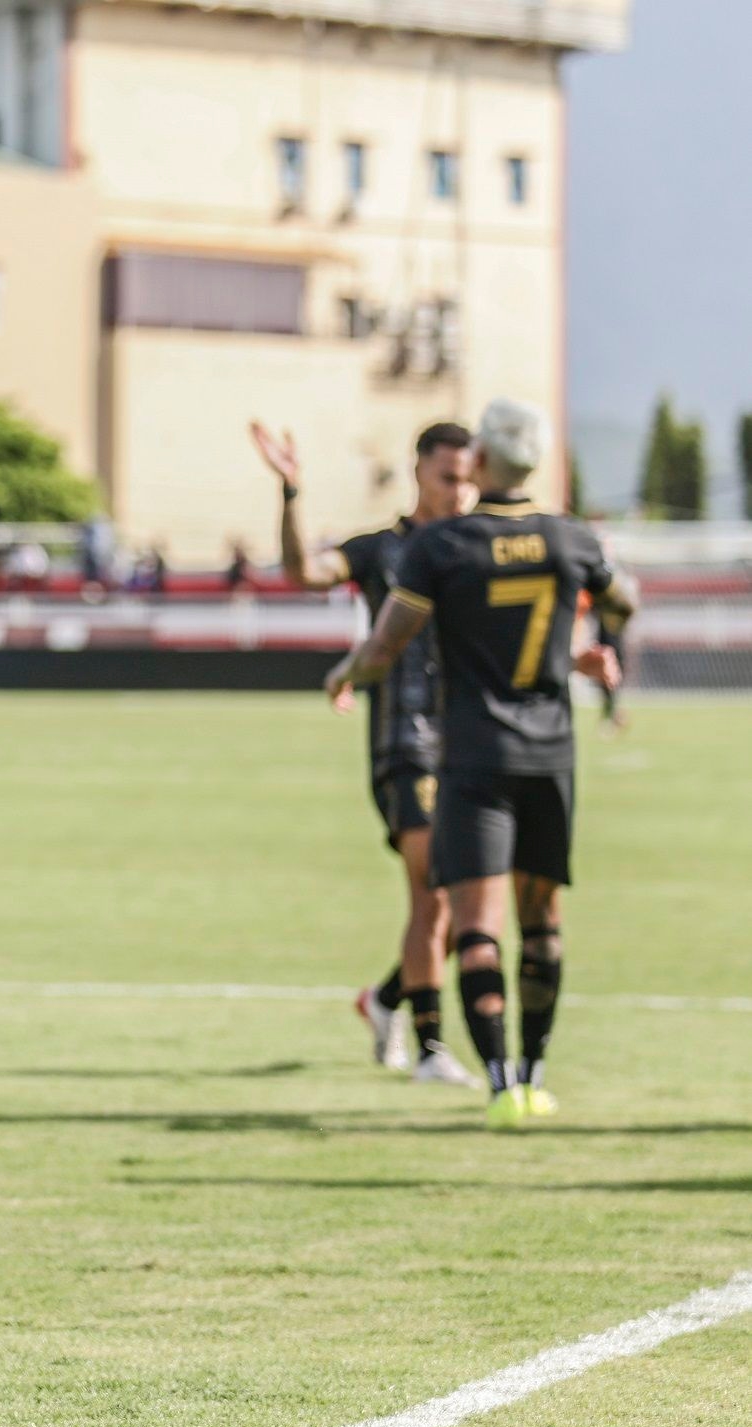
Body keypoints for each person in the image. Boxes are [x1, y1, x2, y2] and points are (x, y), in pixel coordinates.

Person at [321, 400, 637, 1130]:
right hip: (550, 752)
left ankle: (499, 1084)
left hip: (473, 754)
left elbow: (384, 648)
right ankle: (537, 1070)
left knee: (476, 924)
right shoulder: (570, 539)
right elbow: (626, 601)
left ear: (483, 462)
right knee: (544, 919)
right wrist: (591, 645)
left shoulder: (443, 547)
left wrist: (346, 675)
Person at [252, 419, 481, 1085]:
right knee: (435, 889)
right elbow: (302, 570)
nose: (461, 491)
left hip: (472, 742)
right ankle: (434, 1051)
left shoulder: (476, 548)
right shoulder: (383, 549)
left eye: (469, 478)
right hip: (403, 741)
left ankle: (385, 1000)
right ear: (419, 473)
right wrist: (292, 491)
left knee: (463, 895)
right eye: (449, 478)